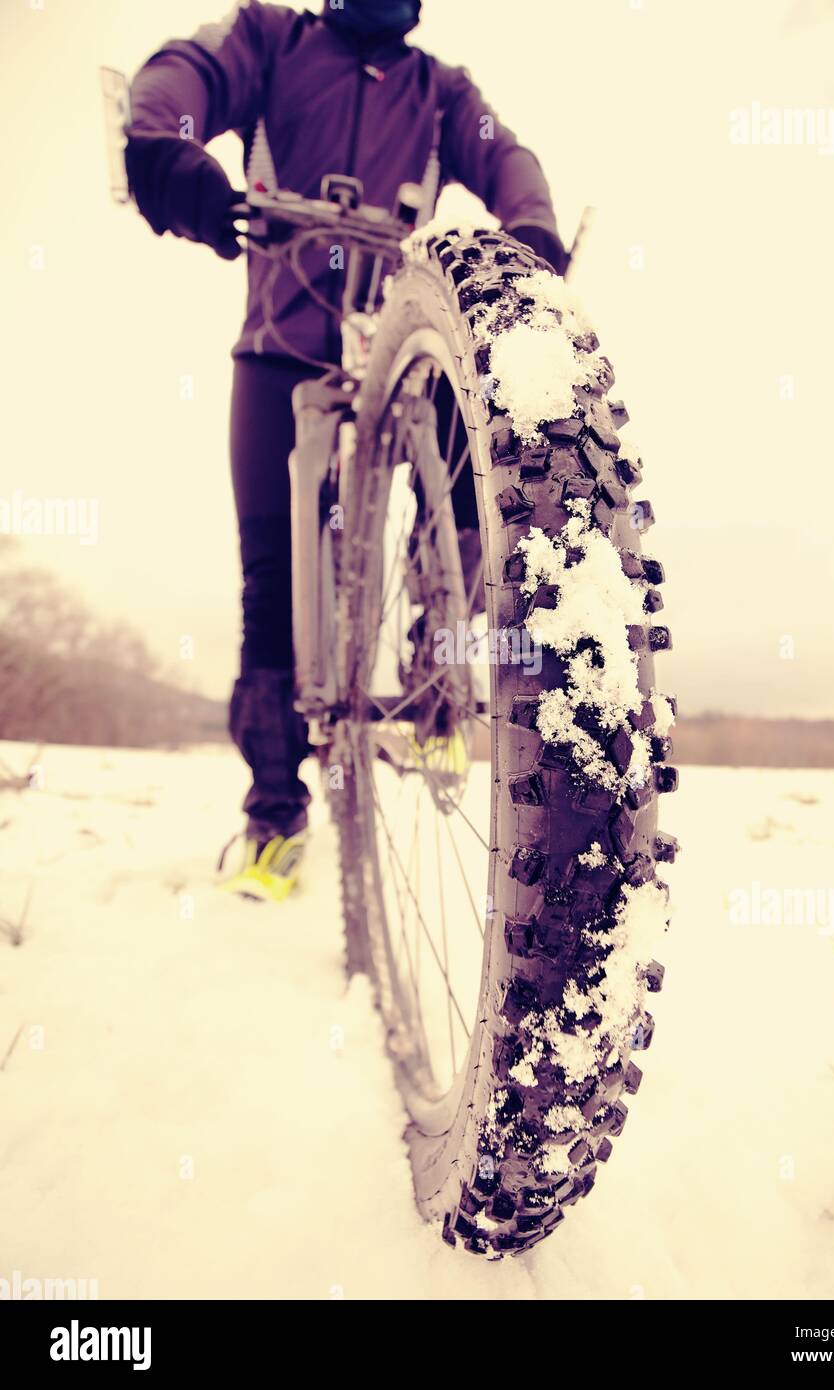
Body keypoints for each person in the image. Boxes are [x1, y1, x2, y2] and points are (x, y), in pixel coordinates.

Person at [124, 0, 568, 901]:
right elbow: (187, 73)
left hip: (396, 337)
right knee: (270, 586)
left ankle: (436, 666)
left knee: (476, 448)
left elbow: (506, 156)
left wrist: (530, 231)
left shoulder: (442, 91)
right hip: (280, 348)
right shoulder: (270, 41)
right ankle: (276, 813)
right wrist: (171, 153)